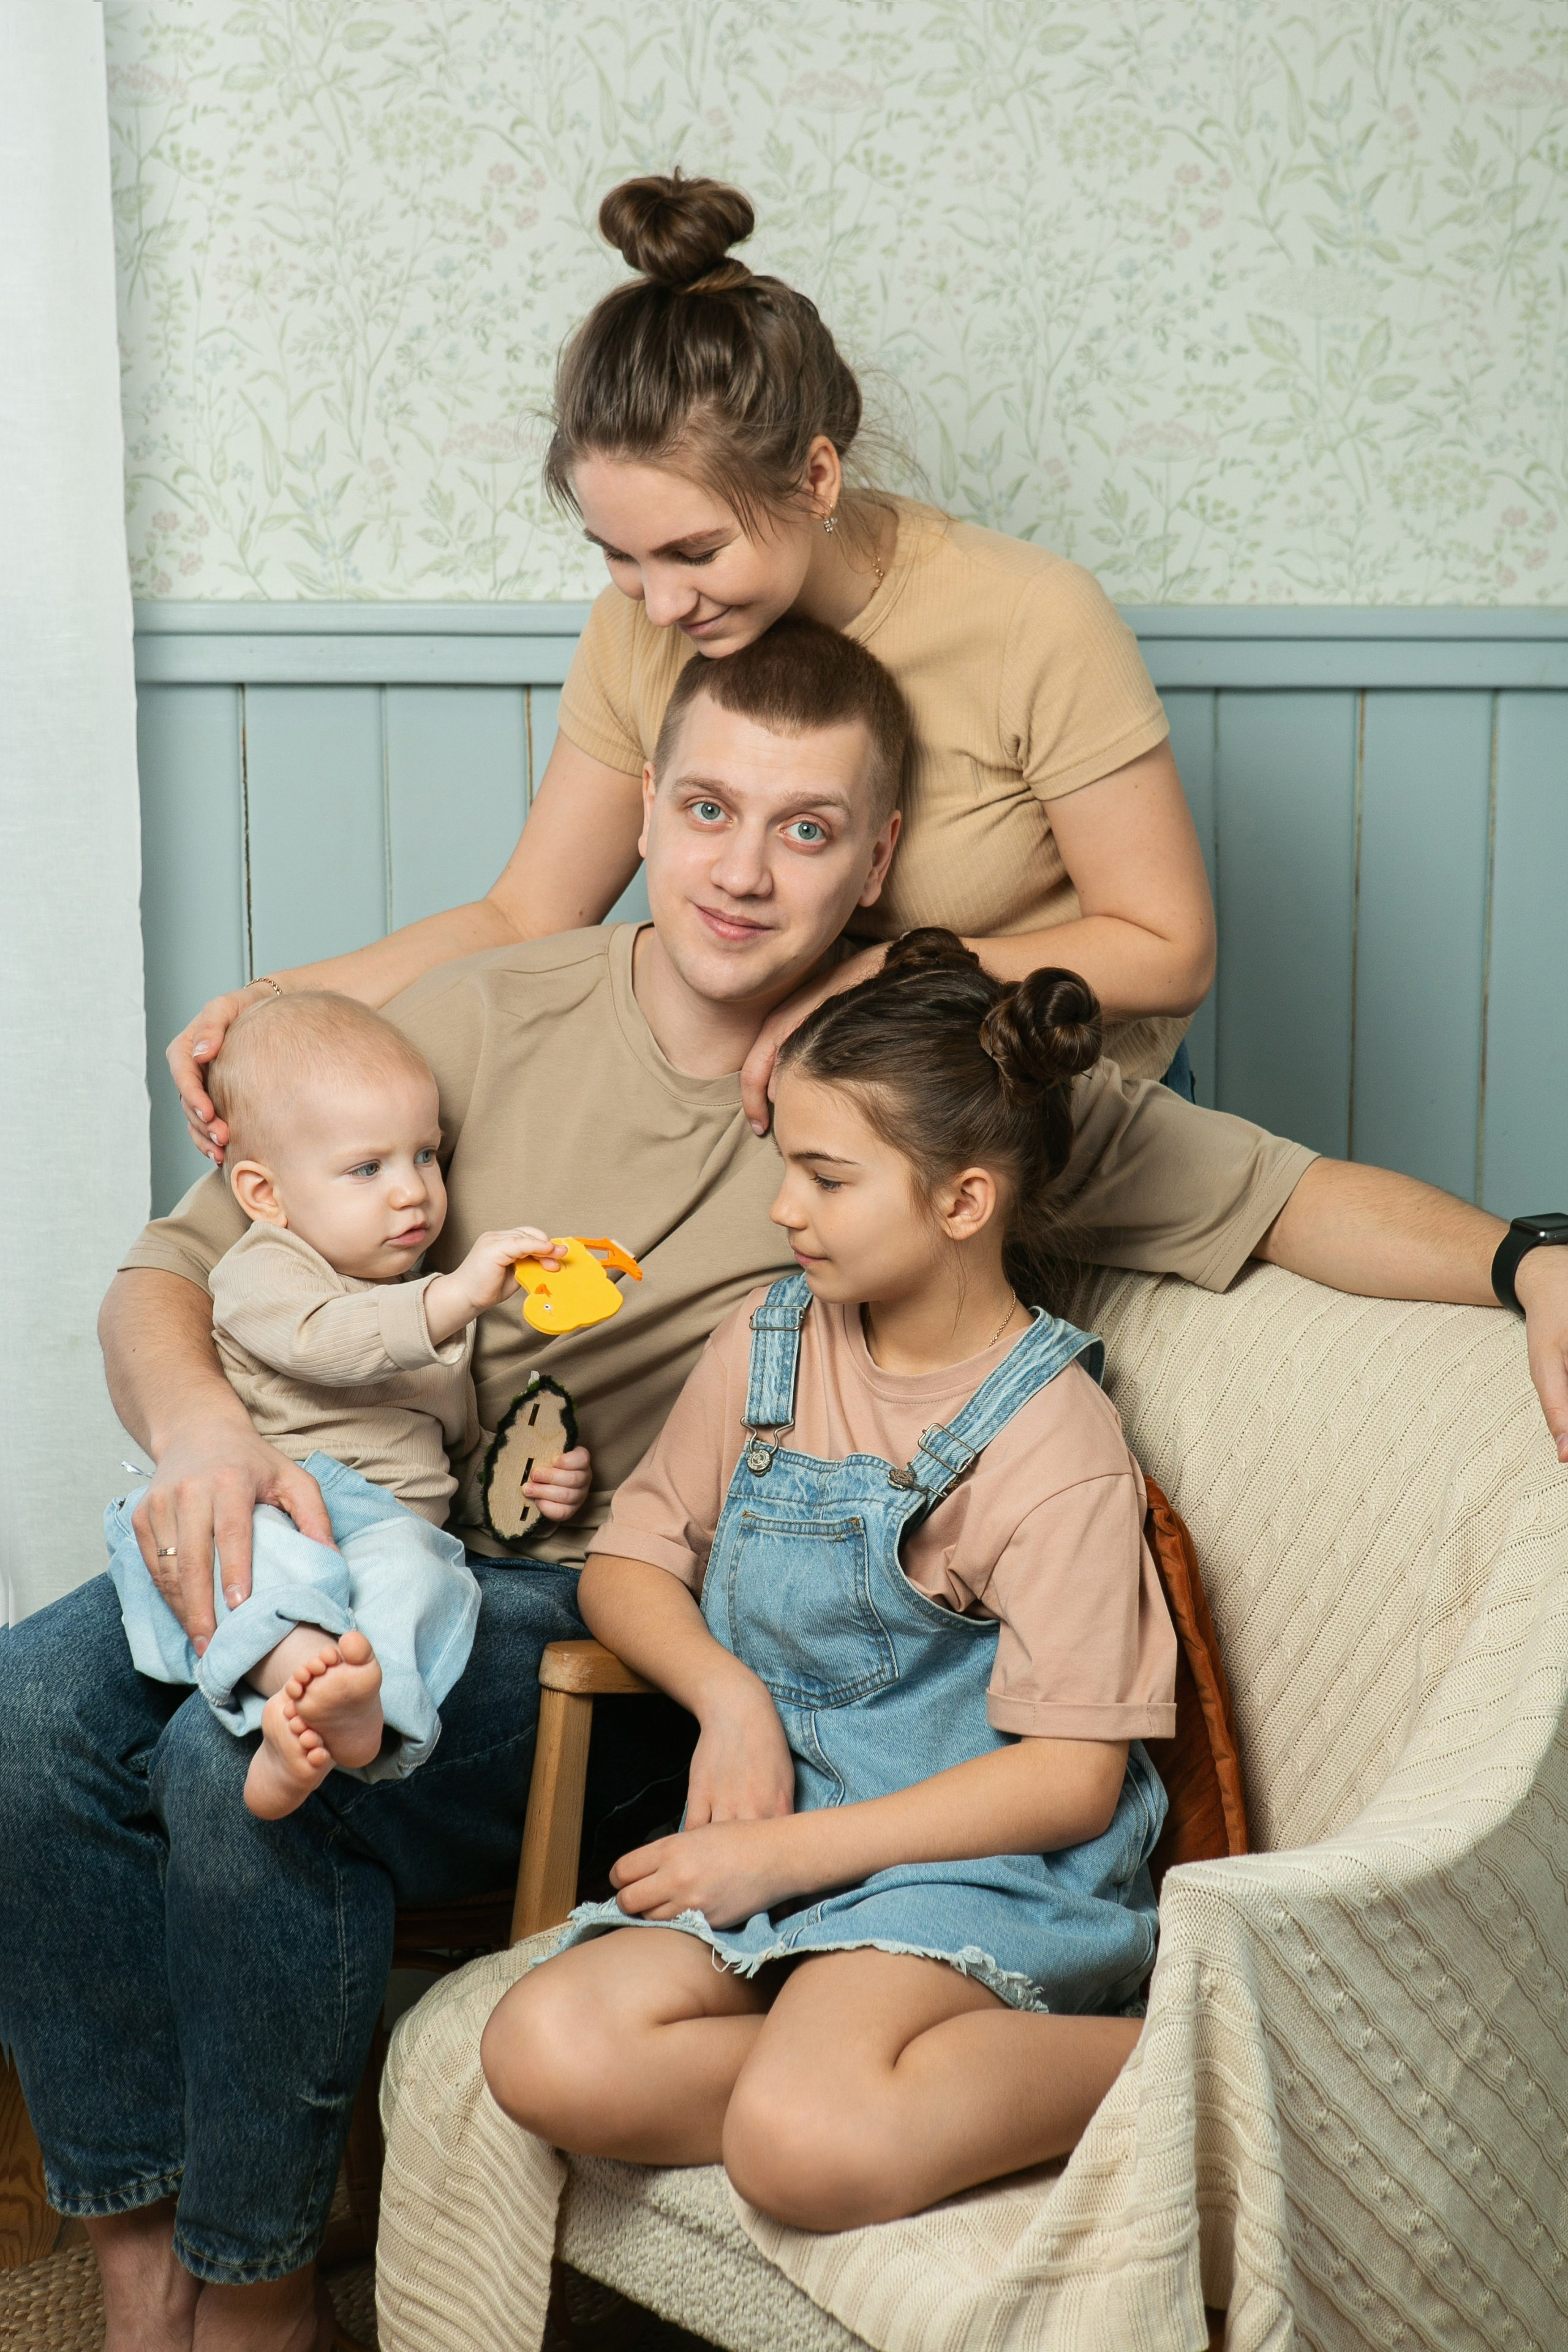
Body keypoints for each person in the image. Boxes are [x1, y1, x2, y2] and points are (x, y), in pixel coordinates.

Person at [2, 619, 1563, 2352]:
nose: (743, 872)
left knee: (242, 1778)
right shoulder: (486, 1018)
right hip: (398, 1542)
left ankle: (268, 2277)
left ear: (881, 858)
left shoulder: (931, 1088)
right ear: (644, 813)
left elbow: (1285, 1197)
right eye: (706, 811)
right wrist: (209, 1436)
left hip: (594, 1653)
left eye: (807, 828)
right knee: (24, 1713)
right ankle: (140, 2243)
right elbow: (178, 1266)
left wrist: (1532, 1259)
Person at [165, 167, 1219, 1160]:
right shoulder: (635, 630)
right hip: (785, 1122)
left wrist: (875, 980)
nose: (662, 604)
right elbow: (528, 915)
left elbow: (1169, 947)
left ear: (814, 479)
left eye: (696, 552)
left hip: (1027, 1119)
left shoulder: (1032, 617)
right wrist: (278, 998)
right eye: (618, 556)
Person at [481, 932, 1177, 2228]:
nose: (782, 1206)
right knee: (544, 2050)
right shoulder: (766, 1345)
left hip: (974, 1873)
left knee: (801, 2157)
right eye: (783, 1165)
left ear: (961, 1202)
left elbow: (1071, 1775)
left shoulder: (1049, 1442)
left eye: (825, 1176)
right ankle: (841, 2057)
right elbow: (630, 1561)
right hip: (791, 1851)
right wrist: (729, 1702)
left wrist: (784, 1854)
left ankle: (1174, 2060)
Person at [105, 991, 589, 1820]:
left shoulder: (418, 1303)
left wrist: (531, 1486)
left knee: (425, 1579)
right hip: (288, 1501)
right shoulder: (266, 1271)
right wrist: (456, 1298)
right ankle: (291, 1671)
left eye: (426, 1157)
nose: (412, 1194)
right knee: (239, 1554)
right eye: (369, 1169)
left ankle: (365, 1718)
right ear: (264, 1193)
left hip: (394, 1520)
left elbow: (453, 1447)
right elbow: (327, 1343)